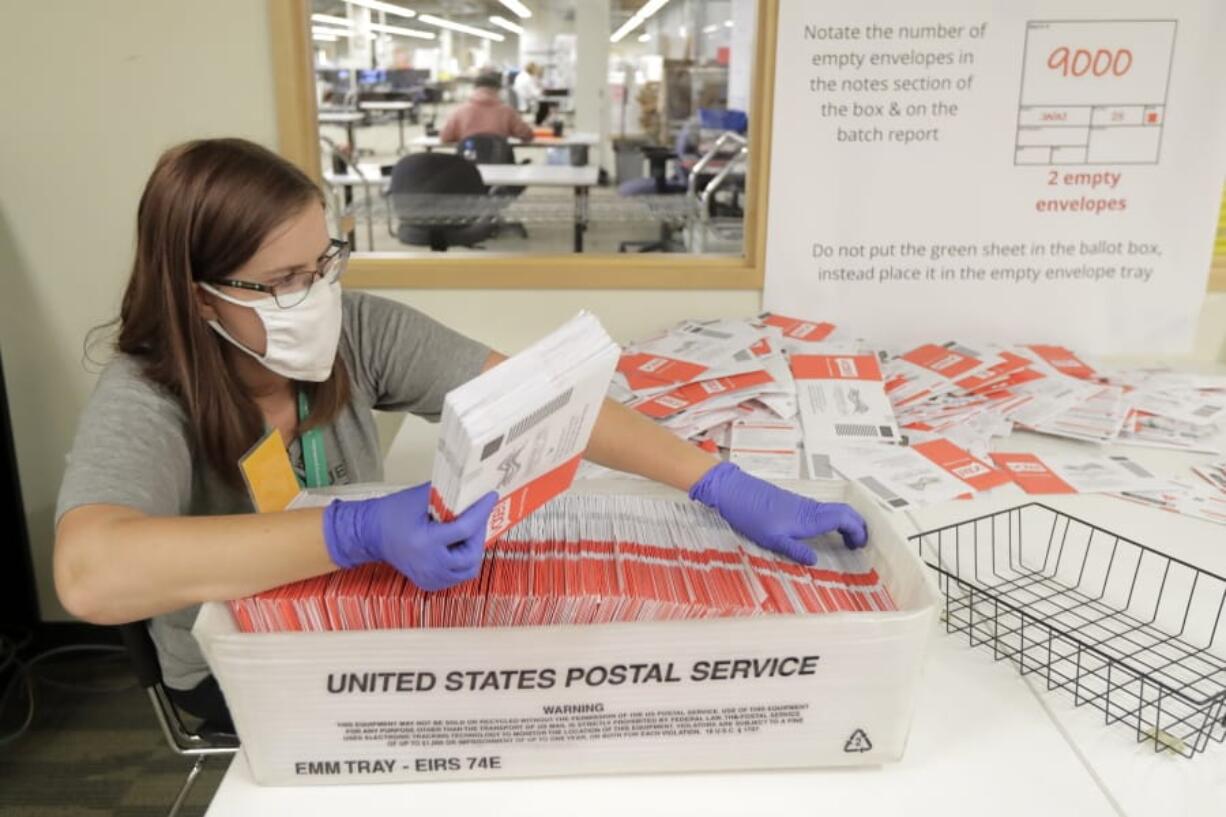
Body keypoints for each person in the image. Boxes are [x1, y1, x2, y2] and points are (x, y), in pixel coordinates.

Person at [53, 138, 868, 731]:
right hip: (243, 669)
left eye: (326, 263)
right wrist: (353, 530)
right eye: (283, 282)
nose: (317, 297)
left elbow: (543, 400)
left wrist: (715, 482)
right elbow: (89, 575)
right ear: (197, 297)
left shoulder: (357, 331)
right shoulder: (150, 392)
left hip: (360, 631)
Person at [438, 70, 534, 144]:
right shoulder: (507, 111)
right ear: (497, 90)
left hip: (467, 164)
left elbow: (445, 137)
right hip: (501, 164)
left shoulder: (460, 111)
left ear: (474, 89)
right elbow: (527, 135)